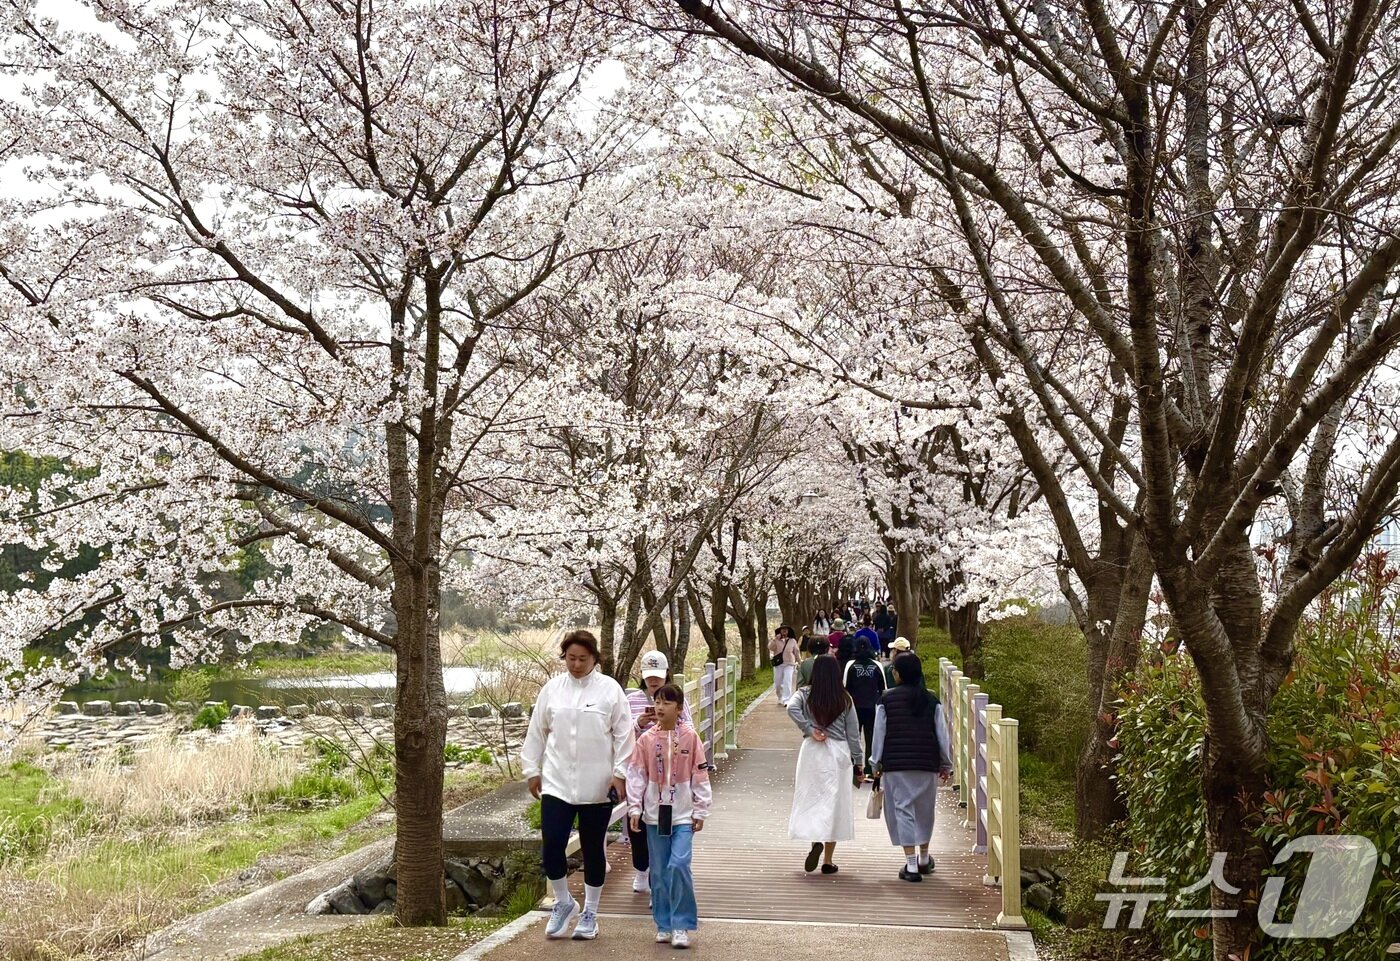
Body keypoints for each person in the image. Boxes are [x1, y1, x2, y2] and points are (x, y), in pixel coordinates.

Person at [522, 630, 635, 941]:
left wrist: (620, 773)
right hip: (557, 783)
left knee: (593, 849)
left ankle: (591, 913)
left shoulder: (609, 690)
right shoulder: (552, 690)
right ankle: (563, 901)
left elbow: (625, 736)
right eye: (570, 658)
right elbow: (537, 731)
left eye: (582, 659)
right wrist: (532, 770)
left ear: (594, 659)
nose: (576, 664)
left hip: (597, 785)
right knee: (552, 847)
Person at [626, 684, 711, 949]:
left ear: (678, 707)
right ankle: (664, 923)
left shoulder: (690, 738)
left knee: (679, 864)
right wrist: (634, 808)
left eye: (666, 702)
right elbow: (637, 774)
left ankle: (682, 923)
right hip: (654, 814)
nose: (660, 707)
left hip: (683, 814)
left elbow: (700, 773)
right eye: (657, 702)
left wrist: (701, 808)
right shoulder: (646, 740)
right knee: (660, 871)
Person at [870, 653, 953, 882]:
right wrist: (946, 764)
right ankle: (925, 859)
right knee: (925, 810)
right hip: (927, 764)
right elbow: (942, 735)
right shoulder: (931, 700)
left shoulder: (886, 700)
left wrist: (875, 763)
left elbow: (879, 735)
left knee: (903, 810)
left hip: (897, 765)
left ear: (897, 673)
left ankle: (911, 866)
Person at [786, 656, 864, 875]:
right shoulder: (845, 698)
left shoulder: (804, 694)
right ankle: (828, 861)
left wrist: (810, 729)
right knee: (834, 804)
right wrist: (858, 764)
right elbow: (853, 734)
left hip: (812, 751)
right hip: (838, 753)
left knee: (813, 799)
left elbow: (791, 709)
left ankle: (814, 843)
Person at [625, 651, 692, 896]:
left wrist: (671, 720)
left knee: (662, 824)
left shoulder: (677, 699)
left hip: (669, 772)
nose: (653, 682)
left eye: (658, 677)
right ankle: (641, 868)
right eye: (649, 677)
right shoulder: (631, 699)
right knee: (637, 821)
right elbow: (622, 735)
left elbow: (690, 733)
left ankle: (658, 879)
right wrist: (640, 724)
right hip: (640, 768)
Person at [842, 639, 887, 776]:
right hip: (872, 707)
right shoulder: (877, 665)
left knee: (853, 737)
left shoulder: (851, 665)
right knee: (871, 737)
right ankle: (869, 768)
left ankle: (854, 766)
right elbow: (883, 688)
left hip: (854, 708)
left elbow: (845, 687)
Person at [768, 625, 800, 706]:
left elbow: (796, 652)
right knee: (777, 682)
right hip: (778, 664)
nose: (784, 631)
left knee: (787, 681)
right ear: (780, 631)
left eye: (786, 629)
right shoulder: (776, 640)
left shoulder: (792, 641)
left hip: (789, 663)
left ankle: (787, 699)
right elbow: (770, 648)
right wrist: (775, 639)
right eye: (783, 629)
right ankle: (780, 696)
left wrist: (799, 662)